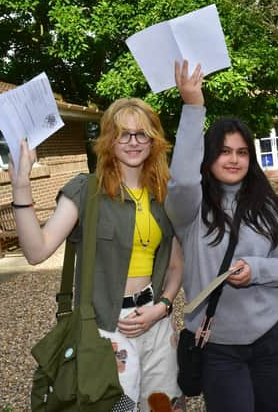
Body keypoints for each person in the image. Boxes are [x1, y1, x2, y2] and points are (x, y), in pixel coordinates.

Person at [9, 97, 185, 412]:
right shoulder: (87, 190)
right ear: (108, 140)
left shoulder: (163, 195)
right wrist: (21, 186)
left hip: (156, 321)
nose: (133, 142)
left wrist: (163, 306)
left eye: (142, 133)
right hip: (106, 327)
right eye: (123, 133)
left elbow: (175, 266)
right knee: (117, 406)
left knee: (162, 406)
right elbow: (36, 251)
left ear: (154, 140)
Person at [165, 60, 278, 412]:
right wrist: (193, 107)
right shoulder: (190, 208)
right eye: (224, 151)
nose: (234, 159)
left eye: (241, 152)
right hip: (217, 344)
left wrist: (256, 270)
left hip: (269, 337)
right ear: (208, 156)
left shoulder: (269, 205)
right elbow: (181, 178)